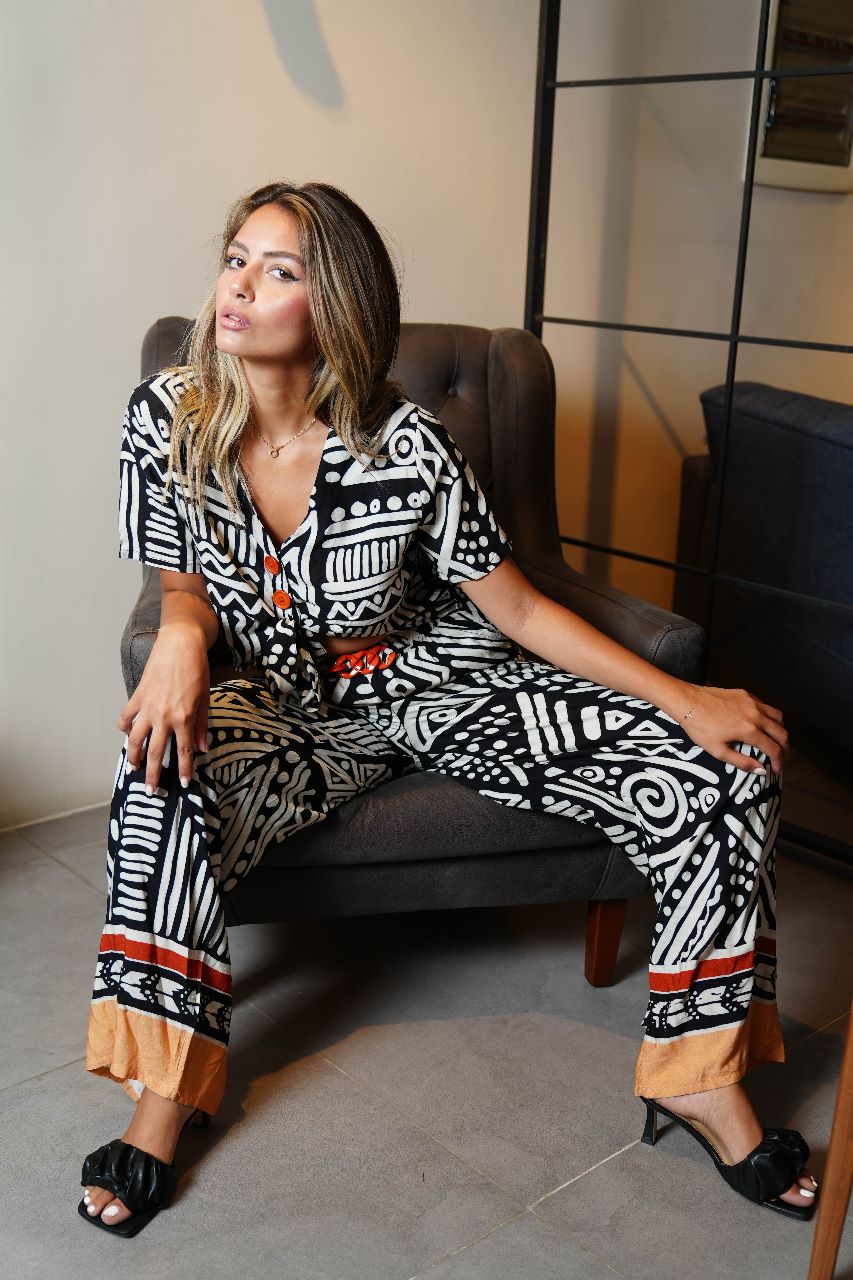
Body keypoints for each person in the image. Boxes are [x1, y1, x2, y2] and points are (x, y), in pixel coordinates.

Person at [79, 180, 819, 1237]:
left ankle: (700, 1073)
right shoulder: (169, 415)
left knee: (725, 764)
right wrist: (188, 633)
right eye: (236, 255)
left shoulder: (411, 444)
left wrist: (682, 693)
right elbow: (177, 578)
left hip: (434, 679)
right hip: (281, 707)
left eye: (278, 269)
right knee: (157, 775)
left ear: (332, 303)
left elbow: (515, 604)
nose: (238, 284)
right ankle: (170, 1090)